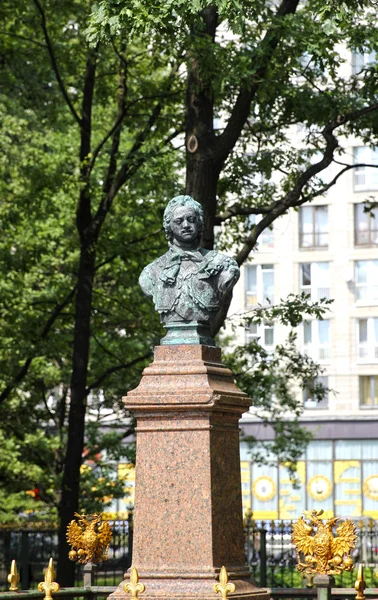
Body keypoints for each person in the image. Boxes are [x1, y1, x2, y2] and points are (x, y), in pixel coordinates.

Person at [139, 195, 240, 333]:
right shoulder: (151, 272)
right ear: (169, 226)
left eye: (191, 219)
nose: (186, 225)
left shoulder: (222, 265)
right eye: (179, 221)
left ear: (199, 224)